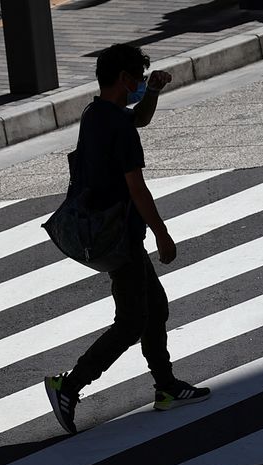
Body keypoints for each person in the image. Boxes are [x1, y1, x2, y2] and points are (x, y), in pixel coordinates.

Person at [44, 43, 210, 435]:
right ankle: (69, 385)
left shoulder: (97, 113)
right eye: (137, 78)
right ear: (123, 78)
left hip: (106, 231)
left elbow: (139, 119)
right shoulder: (117, 125)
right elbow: (138, 189)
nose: (138, 83)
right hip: (119, 236)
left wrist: (152, 92)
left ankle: (166, 387)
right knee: (133, 319)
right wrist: (164, 235)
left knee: (154, 307)